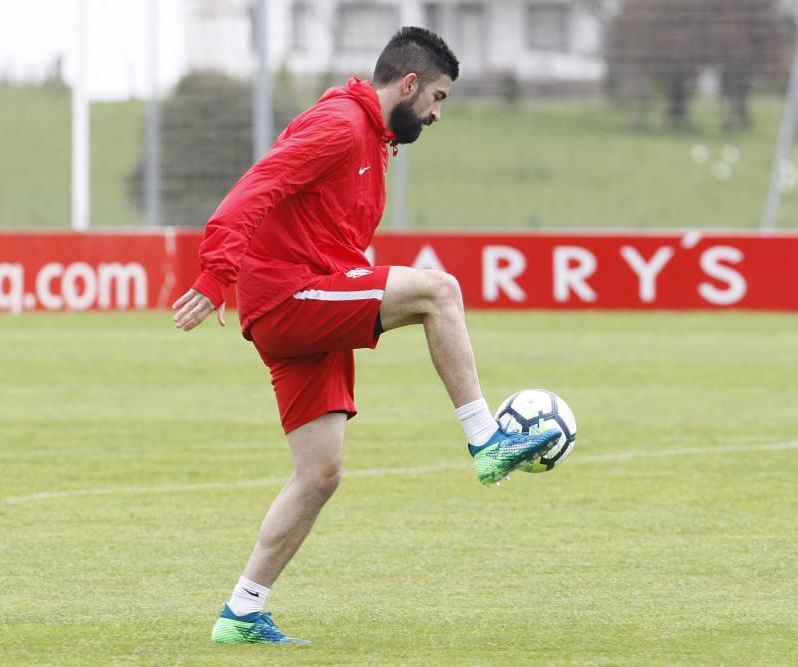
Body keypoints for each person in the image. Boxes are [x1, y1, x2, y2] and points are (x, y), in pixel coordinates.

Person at [172, 26, 560, 646]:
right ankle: (487, 441)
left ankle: (241, 613)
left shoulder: (373, 142)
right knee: (441, 291)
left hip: (306, 303)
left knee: (319, 474)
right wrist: (219, 272)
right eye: (436, 98)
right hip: (287, 296)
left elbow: (326, 228)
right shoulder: (338, 125)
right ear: (407, 84)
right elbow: (255, 188)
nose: (435, 114)